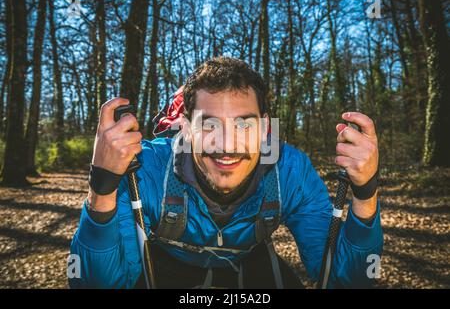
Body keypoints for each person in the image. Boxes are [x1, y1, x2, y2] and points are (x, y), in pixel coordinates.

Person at [69, 57, 382, 289]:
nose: (227, 145)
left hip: (251, 264)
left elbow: (342, 280)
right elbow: (98, 284)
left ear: (265, 128)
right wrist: (102, 187)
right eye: (208, 125)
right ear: (185, 129)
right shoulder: (145, 170)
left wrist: (366, 193)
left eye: (244, 124)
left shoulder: (289, 172)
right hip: (166, 266)